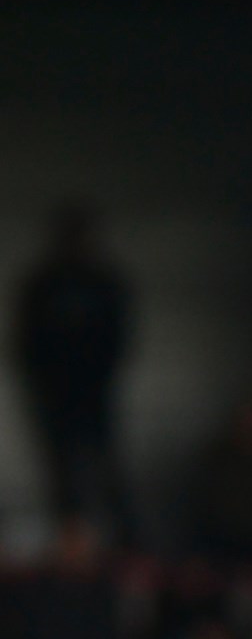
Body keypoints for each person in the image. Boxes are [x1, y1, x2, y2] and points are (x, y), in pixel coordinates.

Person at [21, 208, 136, 532]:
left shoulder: (103, 282)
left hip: (93, 392)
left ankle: (123, 537)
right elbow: (28, 341)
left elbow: (118, 338)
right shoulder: (44, 284)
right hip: (55, 393)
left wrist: (99, 376)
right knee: (62, 473)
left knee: (105, 467)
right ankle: (72, 543)